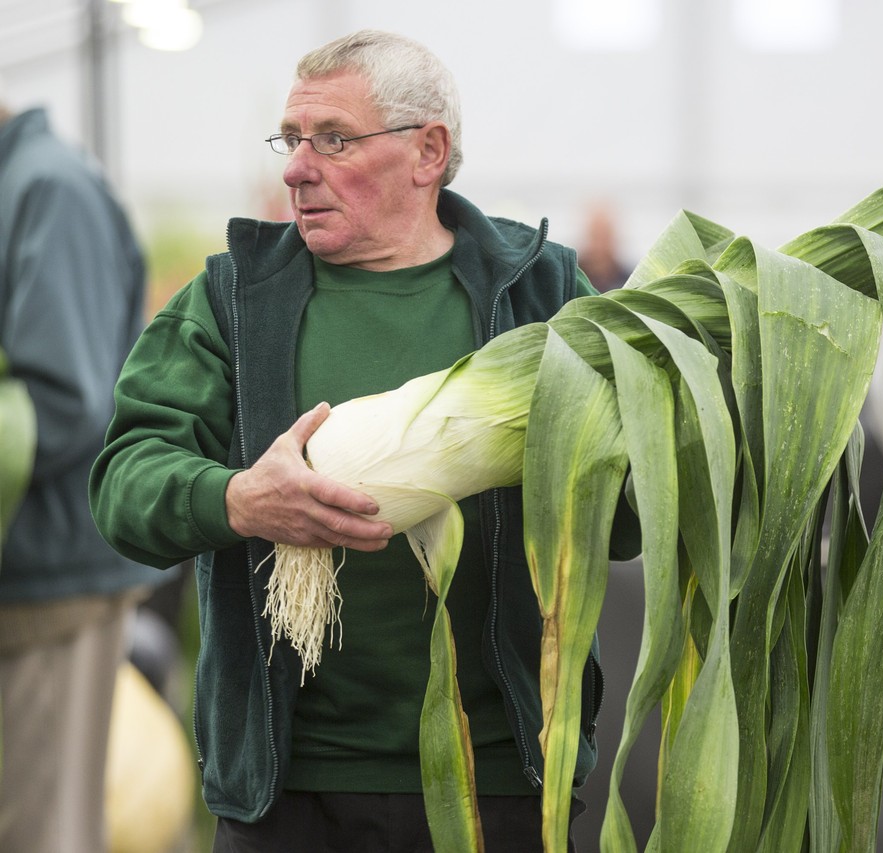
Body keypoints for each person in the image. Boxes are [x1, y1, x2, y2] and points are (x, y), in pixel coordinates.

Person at [90, 30, 638, 852]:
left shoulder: (543, 293)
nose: (296, 167)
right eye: (290, 138)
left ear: (428, 152)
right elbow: (123, 482)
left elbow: (625, 522)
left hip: (498, 782)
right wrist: (239, 498)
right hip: (288, 791)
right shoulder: (231, 299)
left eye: (334, 139)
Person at [0, 102, 160, 852]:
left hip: (50, 582)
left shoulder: (47, 188)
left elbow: (64, 398)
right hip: (28, 572)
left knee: (41, 829)